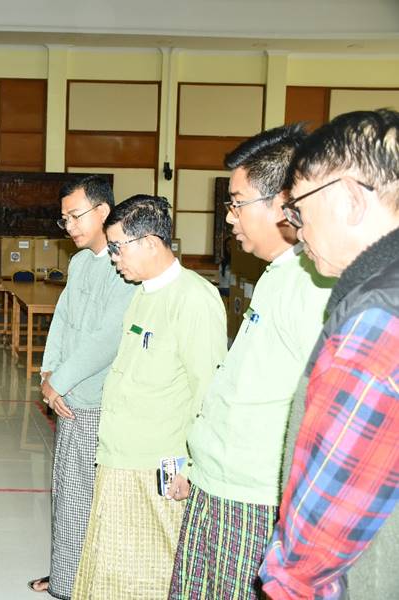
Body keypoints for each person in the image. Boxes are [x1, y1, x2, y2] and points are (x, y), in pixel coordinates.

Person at [167, 125, 334, 600]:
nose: (229, 216)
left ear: (283, 203)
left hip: (253, 498)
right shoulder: (278, 275)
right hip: (217, 484)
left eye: (237, 203)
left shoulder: (312, 285)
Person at [260, 109, 399, 600]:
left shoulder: (376, 321)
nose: (296, 229)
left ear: (350, 199)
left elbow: (315, 542)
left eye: (298, 209)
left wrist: (283, 582)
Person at [72, 195, 227, 600]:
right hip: (118, 457)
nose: (113, 258)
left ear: (151, 243)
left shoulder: (194, 299)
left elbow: (209, 391)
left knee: (151, 578)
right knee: (109, 575)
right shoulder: (142, 293)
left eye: (118, 247)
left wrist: (192, 467)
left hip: (157, 468)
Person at [27, 176, 136, 598]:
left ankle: (84, 581)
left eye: (75, 216)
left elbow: (107, 339)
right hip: (68, 393)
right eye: (65, 219)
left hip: (95, 400)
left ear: (103, 211)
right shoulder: (79, 263)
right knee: (68, 494)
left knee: (90, 499)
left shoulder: (122, 266)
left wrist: (60, 382)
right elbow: (62, 321)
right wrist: (47, 374)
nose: (69, 225)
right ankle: (67, 575)